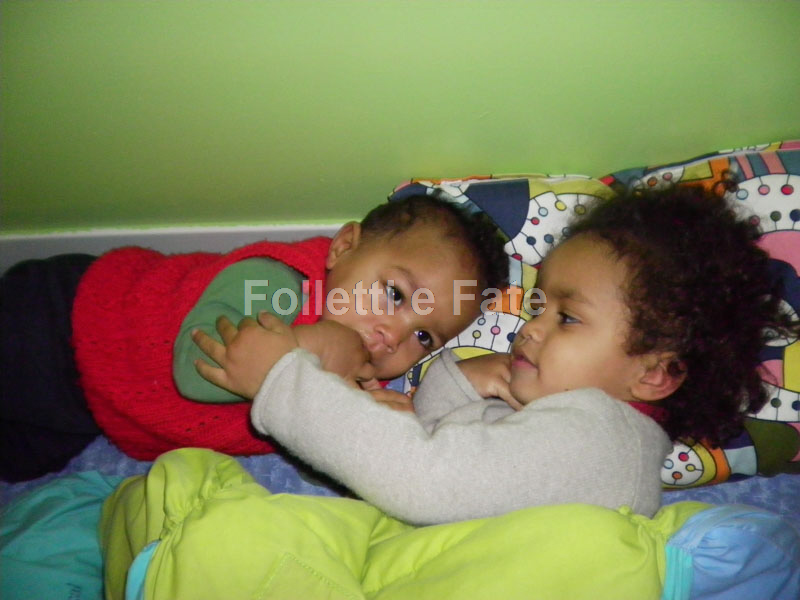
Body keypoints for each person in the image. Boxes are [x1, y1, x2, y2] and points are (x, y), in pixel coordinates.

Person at [193, 184, 797, 525]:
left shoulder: (600, 440)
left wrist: (282, 380)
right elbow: (455, 457)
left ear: (656, 374)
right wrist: (460, 382)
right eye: (536, 310)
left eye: (566, 317)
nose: (529, 331)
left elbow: (422, 480)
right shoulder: (579, 428)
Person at [0, 195, 509, 481]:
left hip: (99, 406)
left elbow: (310, 454)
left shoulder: (356, 378)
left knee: (22, 462)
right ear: (343, 248)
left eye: (423, 335)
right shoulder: (275, 282)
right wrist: (309, 350)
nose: (392, 335)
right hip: (65, 319)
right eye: (394, 294)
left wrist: (360, 427)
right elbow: (196, 368)